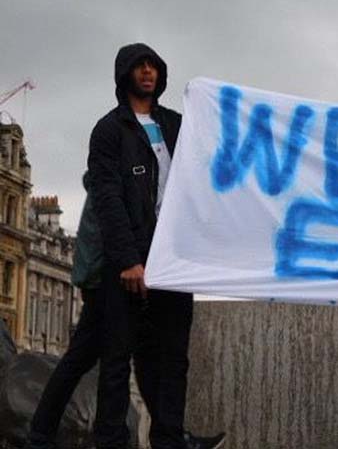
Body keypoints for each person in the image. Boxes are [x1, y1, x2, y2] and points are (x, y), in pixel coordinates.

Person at [24, 175, 225, 449]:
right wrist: (94, 284)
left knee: (142, 360)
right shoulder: (110, 181)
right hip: (108, 284)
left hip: (123, 283)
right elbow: (96, 239)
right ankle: (40, 436)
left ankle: (172, 436)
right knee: (82, 360)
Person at [88, 44, 194, 449]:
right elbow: (107, 196)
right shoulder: (110, 129)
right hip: (129, 262)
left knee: (173, 358)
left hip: (175, 259)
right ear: (125, 74)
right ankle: (111, 440)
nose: (148, 72)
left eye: (153, 66)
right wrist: (129, 259)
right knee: (116, 359)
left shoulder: (179, 124)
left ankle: (169, 439)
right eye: (140, 66)